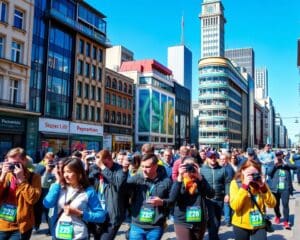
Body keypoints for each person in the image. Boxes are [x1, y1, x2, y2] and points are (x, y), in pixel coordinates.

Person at [43, 157, 106, 240]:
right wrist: (58, 181)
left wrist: (80, 213)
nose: (65, 175)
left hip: (79, 236)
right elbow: (47, 204)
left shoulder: (88, 191)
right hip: (58, 235)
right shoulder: (57, 187)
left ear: (79, 174)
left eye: (69, 172)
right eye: (64, 172)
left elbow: (101, 216)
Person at [160, 157, 214, 240]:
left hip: (199, 219)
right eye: (186, 165)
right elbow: (172, 199)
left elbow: (211, 194)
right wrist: (179, 178)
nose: (189, 167)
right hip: (182, 220)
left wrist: (199, 177)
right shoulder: (179, 180)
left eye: (192, 165)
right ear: (181, 166)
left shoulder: (200, 179)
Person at [127, 153, 172, 240]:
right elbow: (123, 188)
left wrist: (162, 202)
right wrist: (125, 171)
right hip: (137, 225)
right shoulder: (137, 178)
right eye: (142, 166)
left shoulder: (166, 181)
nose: (144, 169)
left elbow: (173, 202)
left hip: (155, 227)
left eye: (147, 167)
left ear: (155, 166)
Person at [0, 147, 42, 240]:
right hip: (2, 222)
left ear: (24, 161)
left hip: (21, 226)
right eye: (10, 163)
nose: (13, 167)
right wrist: (2, 176)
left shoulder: (34, 177)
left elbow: (33, 199)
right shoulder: (4, 175)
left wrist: (22, 180)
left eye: (16, 164)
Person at [230, 159, 276, 240]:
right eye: (249, 174)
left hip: (259, 223)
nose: (253, 177)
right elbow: (235, 206)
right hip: (241, 224)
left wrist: (263, 188)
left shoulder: (261, 183)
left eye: (255, 174)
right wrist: (244, 187)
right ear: (243, 171)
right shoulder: (235, 184)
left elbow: (272, 204)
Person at [90, 150, 129, 240]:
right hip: (97, 213)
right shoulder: (95, 168)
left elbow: (118, 182)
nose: (102, 166)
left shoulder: (119, 169)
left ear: (110, 159)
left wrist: (103, 167)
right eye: (100, 163)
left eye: (104, 163)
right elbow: (88, 183)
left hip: (112, 216)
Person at [200, 150, 231, 240]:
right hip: (207, 199)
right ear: (207, 158)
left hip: (219, 198)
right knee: (211, 219)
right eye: (211, 157)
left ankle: (214, 234)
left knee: (217, 219)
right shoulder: (202, 169)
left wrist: (227, 194)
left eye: (214, 157)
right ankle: (212, 236)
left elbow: (227, 183)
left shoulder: (222, 169)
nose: (213, 159)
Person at [267, 150, 296, 229]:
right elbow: (269, 173)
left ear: (283, 155)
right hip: (275, 188)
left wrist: (285, 163)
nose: (278, 156)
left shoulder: (286, 161)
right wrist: (275, 165)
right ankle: (278, 216)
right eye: (277, 155)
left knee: (285, 204)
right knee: (276, 205)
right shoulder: (272, 162)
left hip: (285, 187)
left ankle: (286, 221)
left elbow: (295, 167)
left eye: (280, 154)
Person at [34, 152, 56, 233]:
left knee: (48, 211)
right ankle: (37, 226)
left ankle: (50, 228)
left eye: (52, 161)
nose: (50, 162)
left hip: (49, 191)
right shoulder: (40, 167)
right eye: (49, 160)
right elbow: (41, 183)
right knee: (38, 210)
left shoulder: (54, 168)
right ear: (44, 159)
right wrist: (47, 171)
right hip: (40, 191)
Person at [219, 153, 235, 227]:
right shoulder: (222, 167)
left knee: (226, 204)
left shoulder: (228, 169)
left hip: (228, 188)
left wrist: (227, 193)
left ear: (227, 160)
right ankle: (228, 218)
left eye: (224, 159)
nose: (222, 161)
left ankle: (228, 220)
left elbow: (228, 182)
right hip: (222, 188)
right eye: (221, 159)